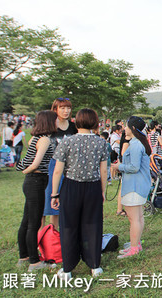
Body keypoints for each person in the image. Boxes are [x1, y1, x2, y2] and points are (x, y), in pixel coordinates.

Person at [50, 108, 107, 279]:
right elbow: (103, 171)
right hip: (93, 186)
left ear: (77, 121)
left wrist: (54, 193)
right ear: (95, 123)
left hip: (71, 186)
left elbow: (58, 171)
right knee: (93, 225)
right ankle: (94, 265)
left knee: (69, 226)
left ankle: (67, 268)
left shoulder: (67, 142)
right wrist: (102, 191)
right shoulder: (101, 142)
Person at [16, 110, 57, 272]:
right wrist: (26, 171)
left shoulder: (35, 137)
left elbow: (27, 159)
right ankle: (34, 262)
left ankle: (24, 256)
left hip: (31, 182)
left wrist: (26, 171)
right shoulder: (45, 139)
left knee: (26, 220)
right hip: (36, 181)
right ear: (48, 122)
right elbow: (35, 163)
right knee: (34, 223)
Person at [110, 116, 152, 259]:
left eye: (126, 126)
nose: (124, 129)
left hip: (135, 185)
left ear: (133, 129)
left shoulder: (135, 145)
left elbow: (134, 167)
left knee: (134, 219)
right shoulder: (138, 143)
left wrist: (118, 166)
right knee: (138, 217)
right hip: (139, 185)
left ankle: (134, 248)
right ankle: (136, 243)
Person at [44, 97, 78, 231]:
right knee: (53, 206)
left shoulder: (73, 127)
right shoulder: (50, 126)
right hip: (52, 167)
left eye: (68, 108)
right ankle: (53, 237)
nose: (66, 111)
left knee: (69, 204)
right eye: (62, 108)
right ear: (55, 109)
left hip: (70, 168)